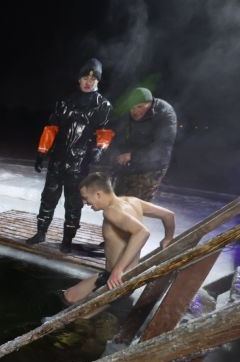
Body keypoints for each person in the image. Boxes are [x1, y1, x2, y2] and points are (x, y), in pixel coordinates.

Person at [27, 58, 114, 253]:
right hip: (57, 160)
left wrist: (100, 149)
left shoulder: (103, 105)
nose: (88, 82)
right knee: (48, 198)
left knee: (74, 203)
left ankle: (67, 239)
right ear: (79, 79)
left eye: (93, 79)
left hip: (80, 164)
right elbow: (51, 129)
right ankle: (40, 232)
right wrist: (41, 152)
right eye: (85, 78)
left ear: (98, 82)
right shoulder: (64, 102)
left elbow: (105, 132)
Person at [61, 173, 175, 305]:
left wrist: (118, 270)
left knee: (77, 311)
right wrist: (168, 238)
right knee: (68, 296)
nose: (85, 203)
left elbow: (142, 232)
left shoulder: (111, 211)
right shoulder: (133, 201)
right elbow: (168, 215)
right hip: (114, 275)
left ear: (98, 194)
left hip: (117, 280)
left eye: (85, 198)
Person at [109, 87, 178, 202]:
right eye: (132, 107)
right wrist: (114, 153)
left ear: (149, 104)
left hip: (152, 167)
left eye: (140, 106)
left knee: (135, 203)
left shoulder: (165, 113)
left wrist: (132, 156)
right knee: (118, 201)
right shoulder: (128, 113)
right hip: (128, 165)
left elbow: (161, 149)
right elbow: (119, 134)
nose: (135, 111)